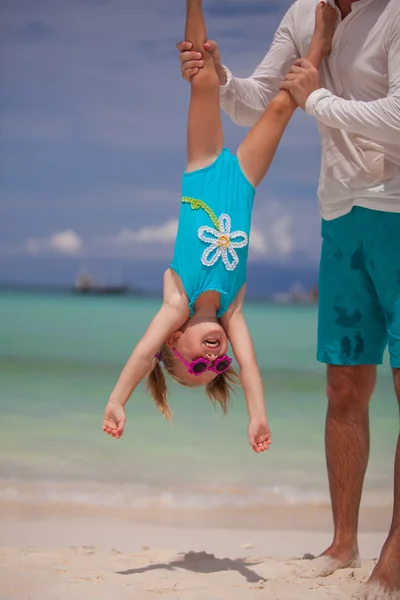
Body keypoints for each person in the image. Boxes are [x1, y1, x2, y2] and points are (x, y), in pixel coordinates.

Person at [177, 0, 400, 595]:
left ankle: (396, 547)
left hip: (399, 207)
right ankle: (344, 541)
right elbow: (255, 101)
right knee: (344, 383)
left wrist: (316, 98)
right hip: (340, 210)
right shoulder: (304, 12)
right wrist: (220, 76)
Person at [102, 0, 337, 457]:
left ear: (174, 340)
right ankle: (322, 40)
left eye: (196, 362)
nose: (214, 356)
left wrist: (116, 400)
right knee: (285, 105)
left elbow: (141, 353)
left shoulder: (176, 303)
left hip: (204, 167)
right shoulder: (233, 310)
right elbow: (248, 364)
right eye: (216, 364)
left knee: (203, 78)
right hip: (244, 182)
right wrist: (257, 415)